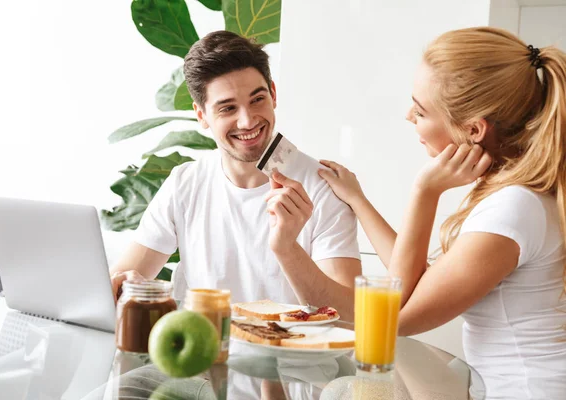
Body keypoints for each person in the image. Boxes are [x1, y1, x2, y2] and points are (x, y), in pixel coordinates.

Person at [312, 27, 566, 399]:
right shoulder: (520, 196)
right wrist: (359, 202)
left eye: (420, 109)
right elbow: (422, 281)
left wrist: (424, 192)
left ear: (473, 130)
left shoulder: (511, 210)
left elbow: (392, 320)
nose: (407, 116)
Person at [110, 30, 361, 319]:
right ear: (202, 115)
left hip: (292, 362)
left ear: (274, 94)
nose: (248, 120)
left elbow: (350, 316)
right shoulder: (185, 183)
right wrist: (126, 289)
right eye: (228, 108)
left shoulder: (322, 186)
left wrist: (287, 248)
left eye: (257, 99)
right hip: (199, 357)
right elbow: (121, 282)